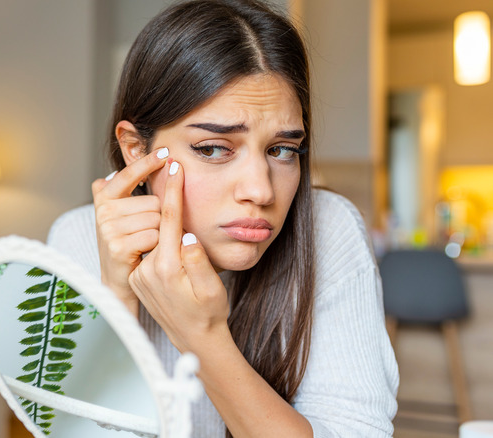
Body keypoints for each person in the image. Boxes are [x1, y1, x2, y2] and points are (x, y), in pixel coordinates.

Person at [47, 0, 399, 436]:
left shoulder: (329, 230)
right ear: (137, 149)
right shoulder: (78, 239)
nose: (261, 190)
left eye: (282, 150)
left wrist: (203, 337)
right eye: (213, 148)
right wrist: (116, 303)